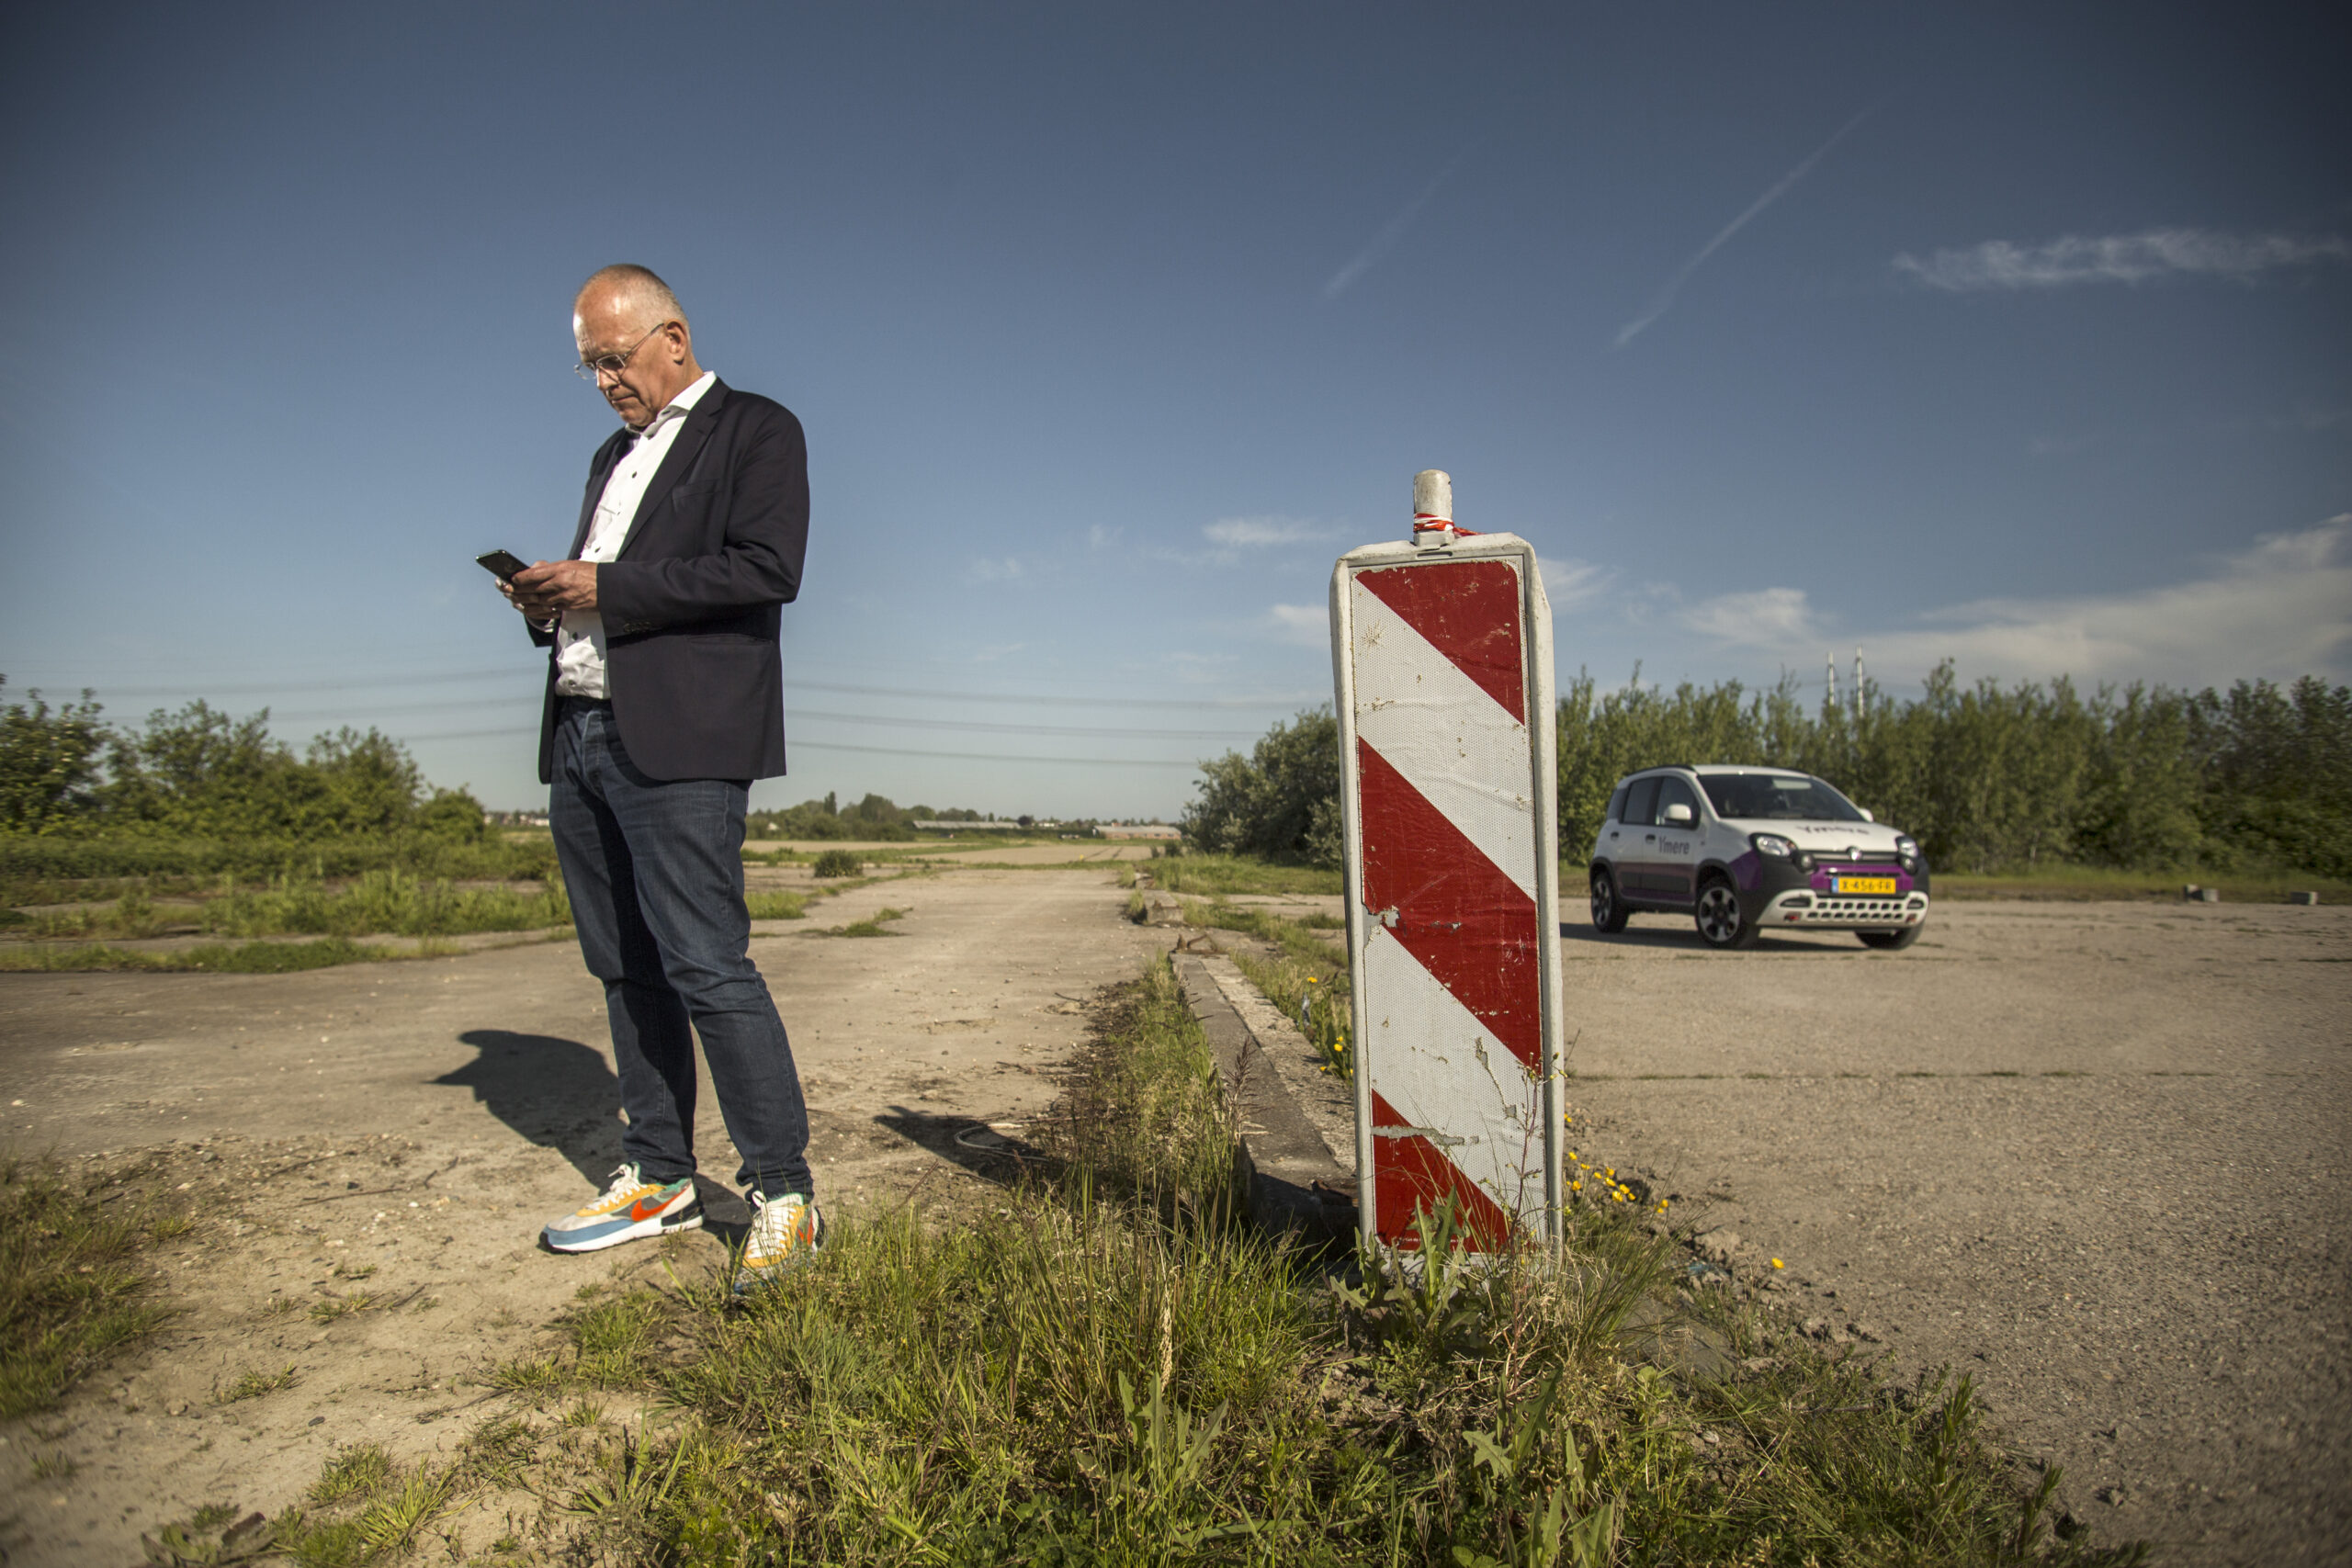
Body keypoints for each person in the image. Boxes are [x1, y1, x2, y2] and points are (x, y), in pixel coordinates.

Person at [499, 264, 820, 1291]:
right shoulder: (611, 454)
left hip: (681, 743)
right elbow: (616, 588)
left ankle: (784, 1194)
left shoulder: (756, 430)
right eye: (586, 366)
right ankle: (659, 1175)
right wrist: (553, 600)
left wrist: (606, 584)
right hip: (583, 732)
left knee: (707, 966)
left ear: (670, 337)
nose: (600, 382)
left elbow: (768, 569)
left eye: (611, 359)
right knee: (622, 966)